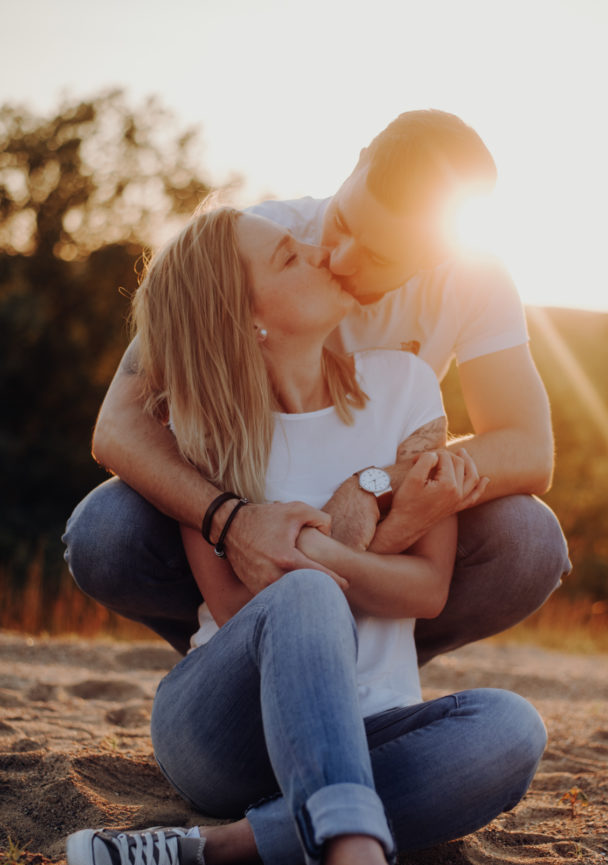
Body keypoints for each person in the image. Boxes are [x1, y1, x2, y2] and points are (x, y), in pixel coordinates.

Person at [66, 205, 544, 865]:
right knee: (301, 595)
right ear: (246, 319)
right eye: (290, 260)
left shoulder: (404, 388)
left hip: (364, 725)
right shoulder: (205, 429)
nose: (323, 255)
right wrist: (345, 560)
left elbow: (425, 592)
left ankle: (217, 848)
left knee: (511, 731)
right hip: (220, 732)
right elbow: (235, 604)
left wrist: (326, 532)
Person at [63, 109, 571, 661]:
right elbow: (118, 427)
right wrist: (234, 522)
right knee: (106, 530)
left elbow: (526, 447)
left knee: (529, 540)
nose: (341, 258)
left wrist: (373, 485)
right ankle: (228, 658)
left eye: (380, 255)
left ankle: (378, 666)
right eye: (346, 222)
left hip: (374, 532)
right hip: (250, 512)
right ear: (357, 164)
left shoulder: (475, 280)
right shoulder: (254, 244)